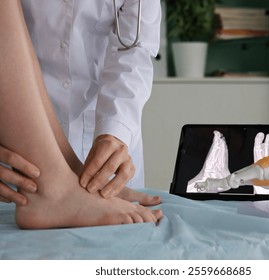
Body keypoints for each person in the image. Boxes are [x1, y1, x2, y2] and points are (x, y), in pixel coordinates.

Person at [0, 0, 162, 229]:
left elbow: (135, 48)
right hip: (13, 147)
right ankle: (53, 187)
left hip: (87, 135)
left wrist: (115, 132)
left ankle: (65, 176)